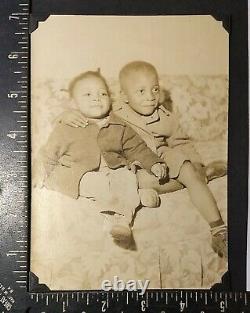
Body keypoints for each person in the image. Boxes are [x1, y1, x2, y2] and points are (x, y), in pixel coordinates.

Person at [57, 62, 227, 258]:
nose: (150, 97)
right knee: (127, 182)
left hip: (161, 154)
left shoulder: (165, 116)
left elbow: (181, 143)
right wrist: (64, 115)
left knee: (188, 169)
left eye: (155, 89)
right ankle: (198, 180)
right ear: (123, 96)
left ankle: (218, 228)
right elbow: (88, 114)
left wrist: (196, 163)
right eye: (141, 91)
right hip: (132, 161)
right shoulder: (114, 111)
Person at [34, 70, 168, 247]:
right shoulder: (67, 127)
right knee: (99, 184)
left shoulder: (119, 125)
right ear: (73, 103)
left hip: (115, 170)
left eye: (102, 93)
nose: (96, 98)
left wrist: (154, 163)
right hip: (81, 174)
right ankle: (126, 210)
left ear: (110, 99)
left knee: (127, 178)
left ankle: (124, 217)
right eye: (88, 94)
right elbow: (48, 154)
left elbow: (137, 149)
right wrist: (38, 174)